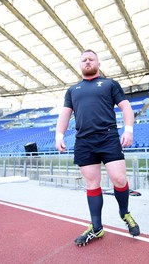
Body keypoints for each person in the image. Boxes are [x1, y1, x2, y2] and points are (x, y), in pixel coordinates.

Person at [55, 49, 140, 246]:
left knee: (119, 179)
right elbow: (65, 114)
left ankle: (124, 213)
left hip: (108, 137)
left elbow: (126, 107)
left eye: (91, 59)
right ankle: (97, 227)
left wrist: (128, 130)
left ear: (98, 64)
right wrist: (59, 135)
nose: (87, 62)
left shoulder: (110, 84)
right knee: (92, 183)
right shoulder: (73, 90)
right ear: (80, 65)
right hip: (84, 141)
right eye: (83, 59)